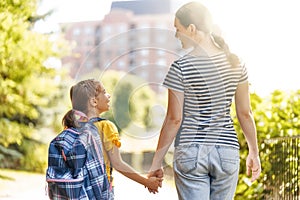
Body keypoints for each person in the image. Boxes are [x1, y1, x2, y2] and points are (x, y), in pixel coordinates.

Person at [148, 2, 261, 199]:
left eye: (178, 29)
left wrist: (156, 162)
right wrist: (254, 152)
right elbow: (245, 113)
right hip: (227, 151)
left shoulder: (180, 67)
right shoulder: (236, 64)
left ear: (191, 29)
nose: (176, 36)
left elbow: (174, 119)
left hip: (190, 152)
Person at [64, 79, 162, 199]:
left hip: (75, 190)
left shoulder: (71, 126)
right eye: (104, 92)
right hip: (99, 190)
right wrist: (146, 182)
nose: (108, 95)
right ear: (94, 101)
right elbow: (118, 163)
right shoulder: (105, 126)